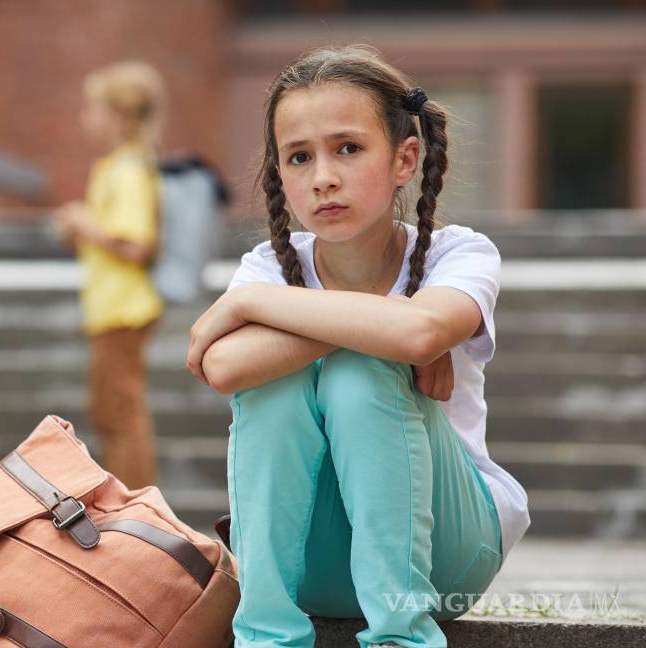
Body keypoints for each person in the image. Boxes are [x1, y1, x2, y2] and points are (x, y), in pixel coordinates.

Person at [186, 45, 530, 647]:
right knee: (289, 379)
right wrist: (382, 325)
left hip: (445, 556)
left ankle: (403, 638)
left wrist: (247, 307)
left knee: (357, 373)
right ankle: (266, 635)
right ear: (280, 175)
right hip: (314, 565)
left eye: (348, 148)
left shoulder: (460, 253)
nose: (323, 176)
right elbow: (224, 366)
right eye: (299, 157)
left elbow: (421, 332)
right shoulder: (271, 264)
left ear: (405, 158)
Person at [55, 61, 166, 491]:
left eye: (93, 108)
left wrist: (86, 225)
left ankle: (137, 508)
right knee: (110, 412)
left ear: (120, 115)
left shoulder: (128, 170)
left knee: (121, 413)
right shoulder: (117, 166)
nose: (87, 118)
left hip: (124, 308)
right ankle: (129, 505)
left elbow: (137, 245)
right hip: (109, 307)